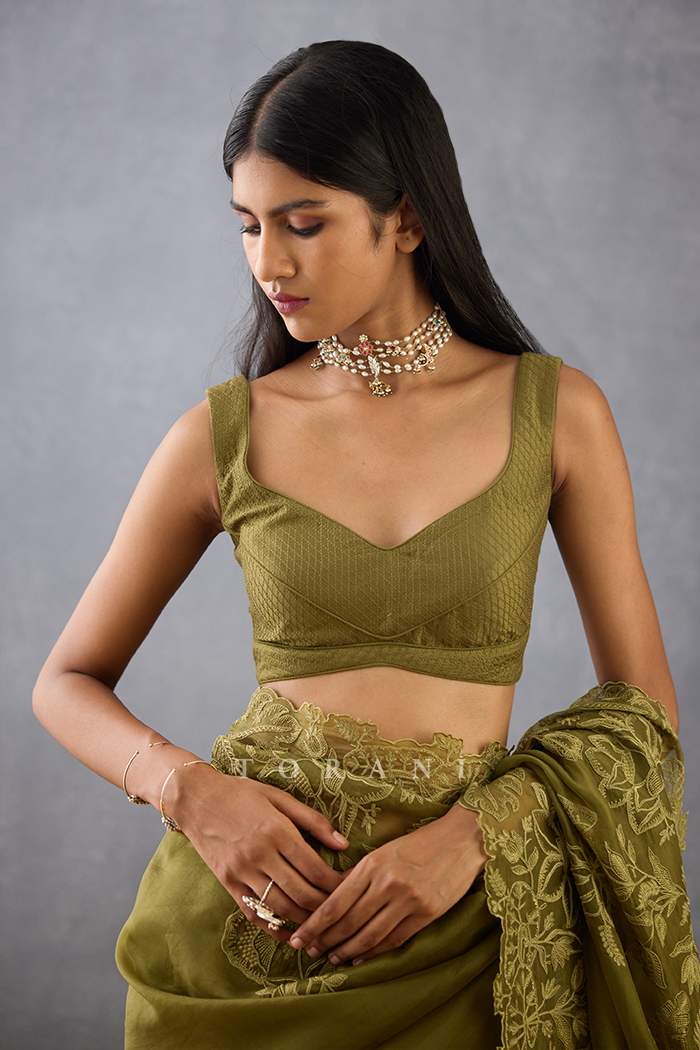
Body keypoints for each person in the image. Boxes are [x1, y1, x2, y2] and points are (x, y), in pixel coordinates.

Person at [33, 40, 699, 1050]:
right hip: (240, 945)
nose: (269, 263)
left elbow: (645, 710)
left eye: (303, 223)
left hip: (468, 938)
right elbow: (64, 682)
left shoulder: (556, 414)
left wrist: (478, 835)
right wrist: (193, 794)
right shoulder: (224, 433)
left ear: (409, 219)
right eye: (248, 225)